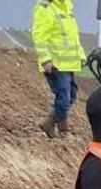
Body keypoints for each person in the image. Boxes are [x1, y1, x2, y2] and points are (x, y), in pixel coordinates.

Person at [31, 0, 86, 138]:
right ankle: (58, 127)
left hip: (68, 63)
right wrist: (45, 59)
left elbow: (72, 36)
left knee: (71, 95)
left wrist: (80, 55)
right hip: (55, 63)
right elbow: (39, 36)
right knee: (64, 98)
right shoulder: (45, 8)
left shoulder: (66, 6)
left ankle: (54, 124)